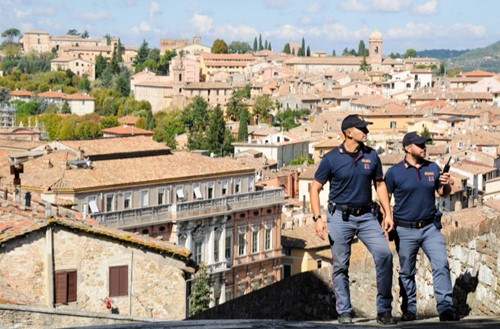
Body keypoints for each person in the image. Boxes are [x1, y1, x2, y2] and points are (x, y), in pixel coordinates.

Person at [310, 114, 397, 325]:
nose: (366, 132)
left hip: (367, 216)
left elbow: (380, 184)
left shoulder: (372, 156)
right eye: (362, 129)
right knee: (340, 265)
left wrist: (388, 213)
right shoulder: (331, 158)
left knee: (385, 255)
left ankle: (384, 310)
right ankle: (345, 311)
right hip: (340, 216)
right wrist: (317, 218)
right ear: (348, 132)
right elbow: (315, 187)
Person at [384, 131, 460, 322]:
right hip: (404, 229)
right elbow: (385, 196)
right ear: (408, 148)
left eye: (424, 144)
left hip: (429, 228)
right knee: (407, 272)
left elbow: (443, 193)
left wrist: (445, 184)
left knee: (441, 264)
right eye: (420, 145)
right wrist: (387, 217)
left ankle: (445, 308)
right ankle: (409, 310)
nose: (424, 147)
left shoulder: (433, 168)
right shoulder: (394, 172)